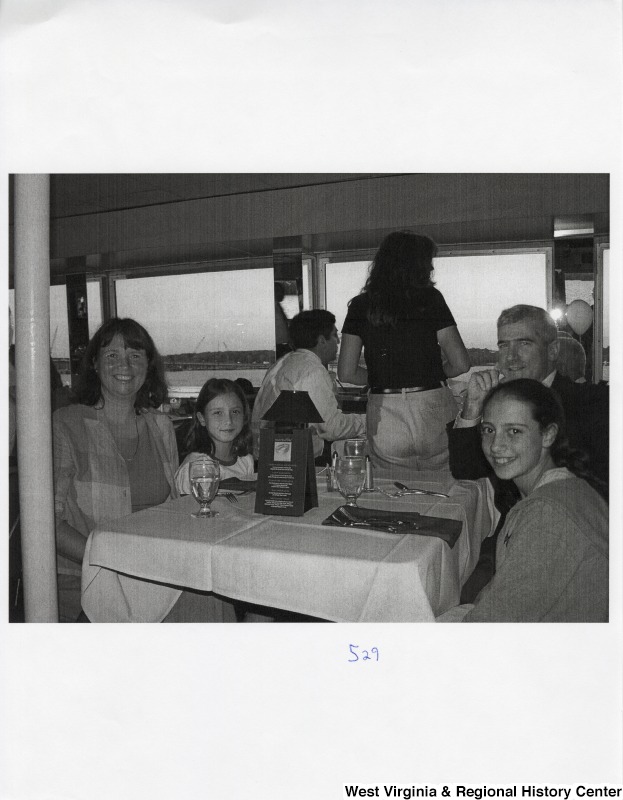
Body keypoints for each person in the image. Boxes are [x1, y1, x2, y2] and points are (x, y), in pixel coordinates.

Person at [448, 304, 609, 602]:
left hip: (572, 545)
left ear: (552, 351)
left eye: (524, 344)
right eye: (503, 345)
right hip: (510, 534)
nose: (510, 358)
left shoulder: (594, 404)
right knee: (456, 590)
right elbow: (465, 468)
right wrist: (472, 409)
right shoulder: (496, 403)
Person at [438, 380, 608, 622]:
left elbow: (494, 626)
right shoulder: (564, 488)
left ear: (548, 434)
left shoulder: (547, 516)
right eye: (489, 430)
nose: (496, 446)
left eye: (514, 431)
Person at [53, 318, 179, 622]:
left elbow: (174, 510)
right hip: (89, 580)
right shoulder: (65, 424)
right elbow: (47, 523)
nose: (125, 364)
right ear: (95, 364)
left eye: (136, 355)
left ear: (148, 365)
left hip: (154, 574)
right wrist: (111, 561)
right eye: (112, 355)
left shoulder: (161, 427)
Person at [338, 231, 470, 473]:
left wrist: (384, 375)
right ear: (418, 264)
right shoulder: (431, 299)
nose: (431, 266)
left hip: (385, 411)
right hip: (432, 405)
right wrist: (427, 372)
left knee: (393, 492)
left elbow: (346, 372)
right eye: (428, 260)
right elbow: (461, 364)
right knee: (447, 488)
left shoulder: (360, 306)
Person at [252, 309, 366, 460]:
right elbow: (332, 428)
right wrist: (367, 421)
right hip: (290, 462)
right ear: (321, 341)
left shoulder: (282, 363)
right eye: (334, 335)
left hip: (267, 455)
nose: (338, 341)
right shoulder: (312, 370)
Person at [175, 378, 254, 495]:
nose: (228, 421)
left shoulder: (246, 461)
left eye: (235, 412)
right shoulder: (195, 467)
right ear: (202, 418)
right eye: (218, 413)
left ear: (244, 416)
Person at [274, 282, 293, 359]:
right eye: (280, 291)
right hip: (278, 346)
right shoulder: (271, 308)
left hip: (284, 344)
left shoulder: (277, 306)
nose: (283, 294)